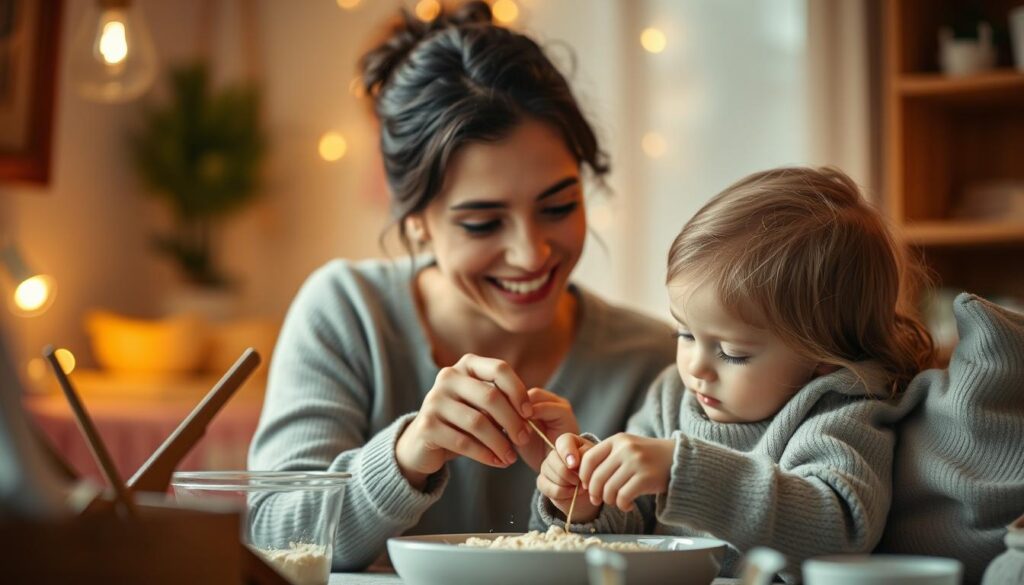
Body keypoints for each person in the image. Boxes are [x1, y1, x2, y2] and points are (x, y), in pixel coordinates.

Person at [247, 1, 675, 571]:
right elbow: (271, 537)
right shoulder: (347, 312)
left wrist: (591, 508)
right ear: (416, 217)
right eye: (482, 222)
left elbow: (697, 556)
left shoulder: (653, 362)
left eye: (559, 206)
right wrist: (405, 457)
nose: (531, 254)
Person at [532, 167, 935, 580]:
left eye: (732, 353)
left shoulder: (839, 412)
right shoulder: (672, 397)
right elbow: (631, 527)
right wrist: (588, 505)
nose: (696, 367)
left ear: (823, 356)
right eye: (684, 333)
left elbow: (837, 532)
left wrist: (684, 471)